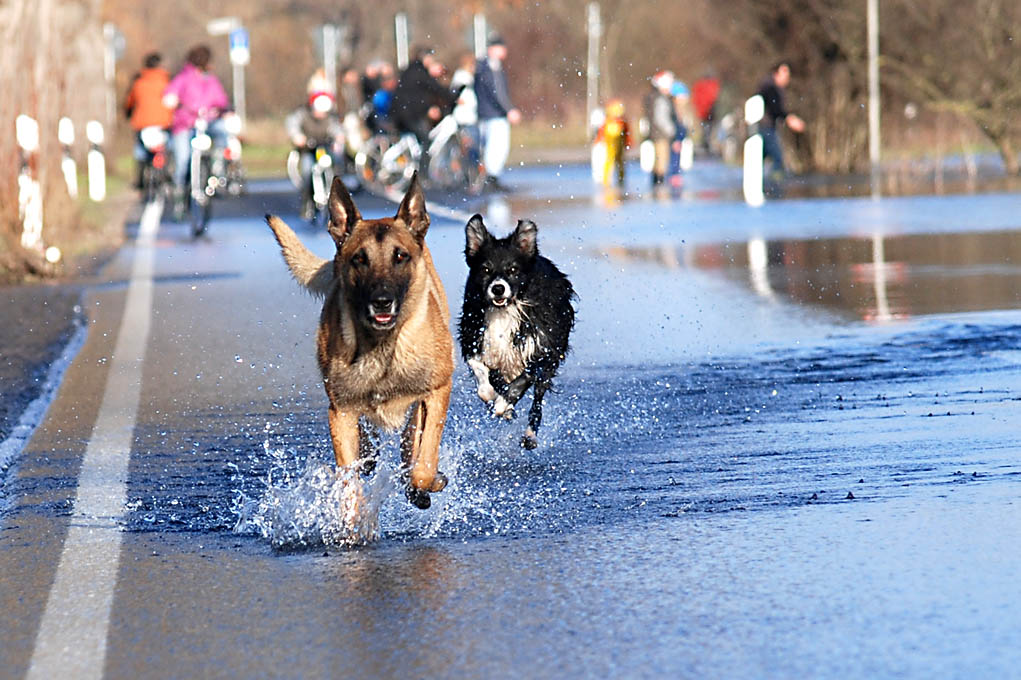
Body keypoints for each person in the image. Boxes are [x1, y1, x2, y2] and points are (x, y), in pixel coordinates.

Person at [163, 45, 230, 214]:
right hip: (185, 124)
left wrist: (224, 110)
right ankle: (179, 199)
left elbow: (221, 100)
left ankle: (217, 167)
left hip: (207, 123)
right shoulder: (183, 78)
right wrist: (173, 101)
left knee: (222, 130)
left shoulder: (211, 80)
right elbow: (170, 96)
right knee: (183, 160)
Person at [285, 89, 345, 219]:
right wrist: (298, 137)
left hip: (325, 147)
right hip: (308, 149)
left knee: (335, 168)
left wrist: (338, 138)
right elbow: (293, 125)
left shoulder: (330, 118)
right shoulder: (302, 114)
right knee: (307, 172)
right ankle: (306, 203)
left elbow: (337, 129)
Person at [474, 33, 521, 190]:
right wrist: (509, 109)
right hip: (494, 114)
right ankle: (491, 178)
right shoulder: (492, 67)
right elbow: (497, 91)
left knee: (490, 146)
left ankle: (490, 178)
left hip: (486, 113)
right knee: (497, 146)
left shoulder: (481, 66)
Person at [123, 52, 174, 189]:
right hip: (164, 124)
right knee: (169, 147)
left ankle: (139, 179)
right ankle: (169, 171)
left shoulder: (138, 83)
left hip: (143, 124)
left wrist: (128, 113)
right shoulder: (167, 82)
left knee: (140, 151)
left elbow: (129, 102)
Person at [390, 46, 455, 147]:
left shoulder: (411, 69)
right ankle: (423, 163)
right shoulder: (420, 72)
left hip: (402, 112)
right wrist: (452, 96)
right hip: (410, 114)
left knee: (418, 141)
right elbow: (435, 88)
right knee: (425, 141)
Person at [755, 60, 806, 177]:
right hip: (765, 128)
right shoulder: (770, 87)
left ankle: (766, 185)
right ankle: (775, 188)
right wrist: (789, 118)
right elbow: (774, 108)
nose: (787, 78)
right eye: (785, 74)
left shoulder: (770, 86)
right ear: (776, 73)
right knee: (778, 159)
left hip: (765, 128)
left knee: (761, 158)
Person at [643, 70, 677, 187]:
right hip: (661, 134)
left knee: (658, 161)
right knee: (661, 162)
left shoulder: (654, 97)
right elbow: (661, 118)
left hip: (656, 133)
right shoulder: (660, 99)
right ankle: (659, 187)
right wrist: (672, 131)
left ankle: (657, 184)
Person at [594, 99, 631, 187]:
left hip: (619, 146)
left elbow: (627, 133)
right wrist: (598, 140)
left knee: (620, 162)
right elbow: (601, 132)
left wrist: (628, 142)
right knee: (610, 161)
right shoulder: (608, 122)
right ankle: (606, 180)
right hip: (610, 146)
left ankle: (621, 179)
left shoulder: (622, 122)